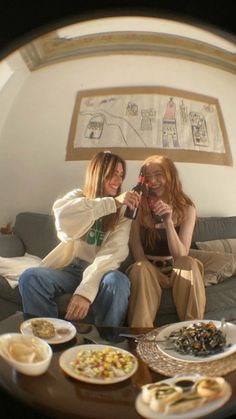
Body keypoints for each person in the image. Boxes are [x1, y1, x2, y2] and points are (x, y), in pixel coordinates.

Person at [19, 151, 141, 326]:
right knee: (30, 277)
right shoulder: (78, 197)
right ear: (98, 172)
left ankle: (106, 344)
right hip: (69, 269)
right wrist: (112, 203)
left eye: (121, 175)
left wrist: (85, 292)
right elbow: (63, 223)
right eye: (114, 173)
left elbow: (113, 253)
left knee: (118, 281)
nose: (119, 180)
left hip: (101, 272)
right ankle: (48, 339)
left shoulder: (123, 212)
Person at [126, 154, 206, 327]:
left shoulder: (187, 209)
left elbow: (180, 256)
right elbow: (137, 251)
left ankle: (194, 333)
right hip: (148, 270)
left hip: (177, 268)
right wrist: (157, 274)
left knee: (189, 263)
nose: (153, 181)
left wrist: (168, 222)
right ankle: (140, 337)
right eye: (148, 177)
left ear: (170, 175)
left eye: (158, 174)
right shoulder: (138, 206)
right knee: (140, 268)